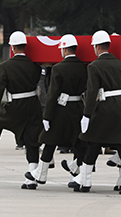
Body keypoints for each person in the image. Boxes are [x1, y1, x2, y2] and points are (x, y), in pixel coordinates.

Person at [73, 30, 121, 194]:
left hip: (105, 106)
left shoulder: (94, 66)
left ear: (96, 47)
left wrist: (86, 115)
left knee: (93, 143)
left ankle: (85, 182)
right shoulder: (119, 63)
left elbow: (91, 93)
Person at [0, 31, 43, 190]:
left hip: (15, 105)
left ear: (12, 47)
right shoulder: (35, 65)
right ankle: (31, 178)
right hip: (33, 105)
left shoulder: (6, 66)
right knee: (31, 140)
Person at [25, 35, 87, 188]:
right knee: (78, 142)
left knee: (50, 140)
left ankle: (41, 173)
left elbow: (52, 95)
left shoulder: (58, 68)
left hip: (62, 109)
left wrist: (47, 116)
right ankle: (80, 173)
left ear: (64, 49)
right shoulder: (84, 67)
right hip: (78, 107)